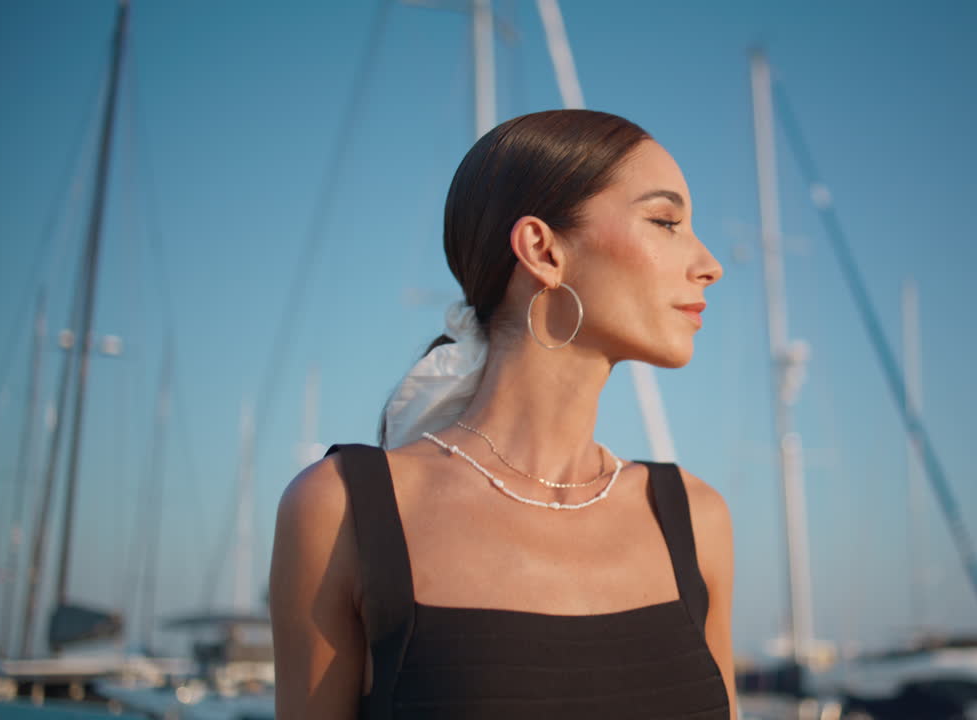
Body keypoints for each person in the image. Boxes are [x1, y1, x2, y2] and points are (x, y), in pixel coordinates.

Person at [269, 109, 733, 719]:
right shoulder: (341, 511)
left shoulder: (694, 520)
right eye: (666, 222)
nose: (710, 264)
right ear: (543, 250)